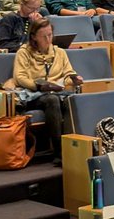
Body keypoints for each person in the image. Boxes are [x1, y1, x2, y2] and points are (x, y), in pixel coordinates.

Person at [7, 18, 83, 162]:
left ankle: (77, 148)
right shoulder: (24, 52)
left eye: (50, 35)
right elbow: (20, 77)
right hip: (32, 95)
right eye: (44, 36)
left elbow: (68, 73)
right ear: (34, 37)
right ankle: (59, 152)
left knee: (72, 99)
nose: (49, 39)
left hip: (56, 91)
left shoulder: (59, 52)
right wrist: (39, 86)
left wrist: (73, 79)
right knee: (52, 100)